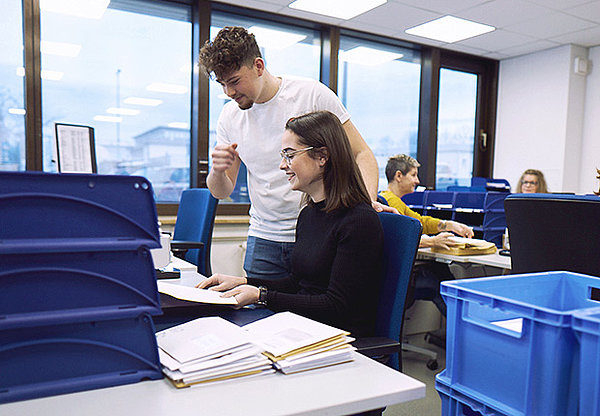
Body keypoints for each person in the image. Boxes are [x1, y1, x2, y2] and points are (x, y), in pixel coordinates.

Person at [198, 26, 389, 281]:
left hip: (320, 230)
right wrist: (218, 171)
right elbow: (221, 191)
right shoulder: (229, 117)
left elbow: (361, 154)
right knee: (260, 313)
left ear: (258, 65)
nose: (229, 92)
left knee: (316, 312)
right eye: (222, 84)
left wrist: (367, 203)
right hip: (264, 236)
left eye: (234, 82)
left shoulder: (310, 94)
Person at [198, 111, 384, 338]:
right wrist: (243, 281)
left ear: (322, 157)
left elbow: (337, 306)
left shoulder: (359, 221)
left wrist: (261, 295)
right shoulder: (309, 214)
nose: (282, 166)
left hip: (338, 341)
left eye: (289, 155)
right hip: (304, 327)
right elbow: (297, 283)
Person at [379, 154, 474, 316]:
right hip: (394, 278)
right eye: (414, 175)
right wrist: (433, 242)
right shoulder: (391, 203)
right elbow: (401, 239)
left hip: (394, 275)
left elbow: (420, 222)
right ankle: (462, 328)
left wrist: (449, 225)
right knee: (442, 283)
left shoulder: (393, 200)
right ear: (399, 176)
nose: (417, 181)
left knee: (440, 271)